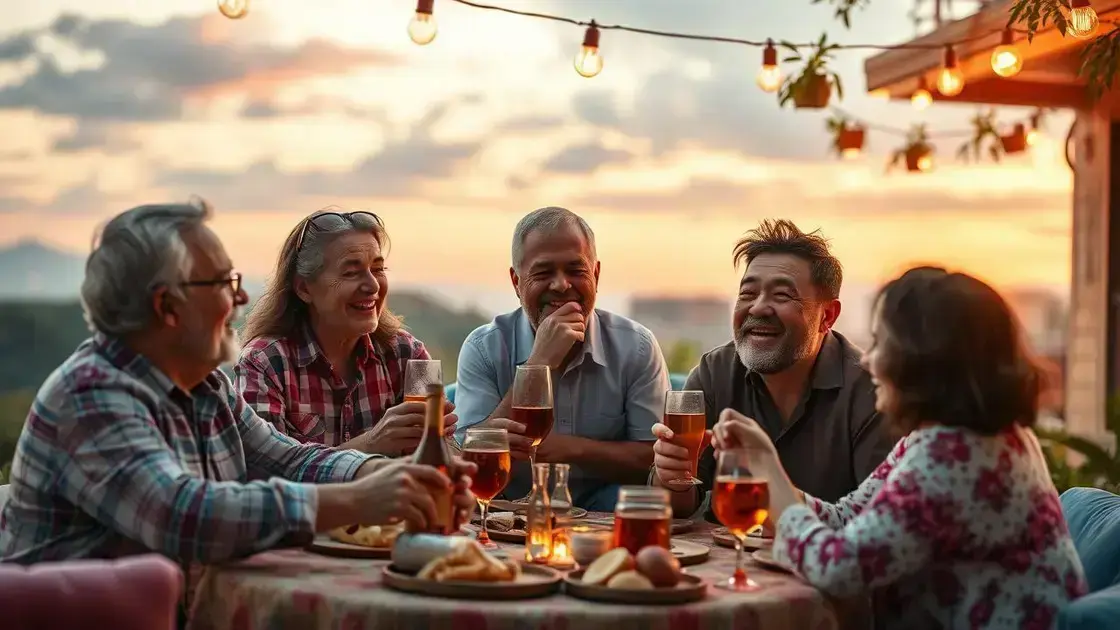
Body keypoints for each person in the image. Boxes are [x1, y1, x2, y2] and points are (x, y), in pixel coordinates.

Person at [0, 201, 476, 571]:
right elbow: (184, 516)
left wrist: (385, 475)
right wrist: (359, 498)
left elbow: (288, 458)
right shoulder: (91, 396)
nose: (242, 296)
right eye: (225, 282)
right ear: (169, 306)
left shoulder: (205, 387)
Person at [713, 266, 1087, 628]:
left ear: (922, 361)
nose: (869, 360)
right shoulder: (953, 438)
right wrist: (772, 480)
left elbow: (839, 570)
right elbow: (850, 517)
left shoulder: (953, 458)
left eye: (881, 344)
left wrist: (768, 471)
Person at [651, 219, 892, 519]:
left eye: (782, 296)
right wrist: (671, 476)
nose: (758, 308)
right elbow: (676, 508)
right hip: (727, 558)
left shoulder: (872, 389)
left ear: (827, 315)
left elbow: (879, 521)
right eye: (748, 294)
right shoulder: (714, 372)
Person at [454, 207, 670, 510]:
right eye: (543, 273)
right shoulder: (484, 347)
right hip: (512, 513)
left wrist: (571, 449)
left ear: (595, 274)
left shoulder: (636, 347)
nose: (561, 285)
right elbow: (468, 461)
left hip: (609, 515)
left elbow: (655, 460)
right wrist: (539, 362)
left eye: (575, 270)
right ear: (516, 282)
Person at [235, 209, 456, 456]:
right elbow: (263, 472)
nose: (372, 285)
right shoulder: (264, 362)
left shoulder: (410, 354)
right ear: (304, 288)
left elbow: (442, 456)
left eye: (378, 269)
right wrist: (370, 444)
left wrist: (447, 444)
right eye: (351, 273)